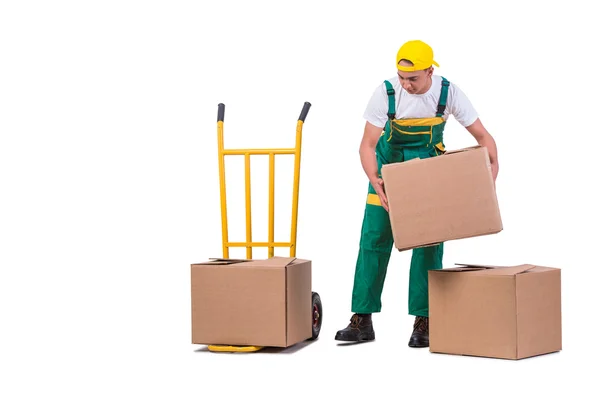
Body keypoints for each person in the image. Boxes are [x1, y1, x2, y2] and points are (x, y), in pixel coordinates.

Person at [334, 40, 499, 347]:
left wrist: (492, 166)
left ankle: (424, 320)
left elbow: (482, 136)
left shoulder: (448, 92)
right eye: (401, 77)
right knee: (373, 240)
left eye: (413, 78)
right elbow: (367, 145)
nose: (406, 84)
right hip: (387, 174)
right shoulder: (385, 92)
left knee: (428, 244)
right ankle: (362, 319)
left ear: (430, 71)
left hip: (428, 176)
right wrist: (375, 179)